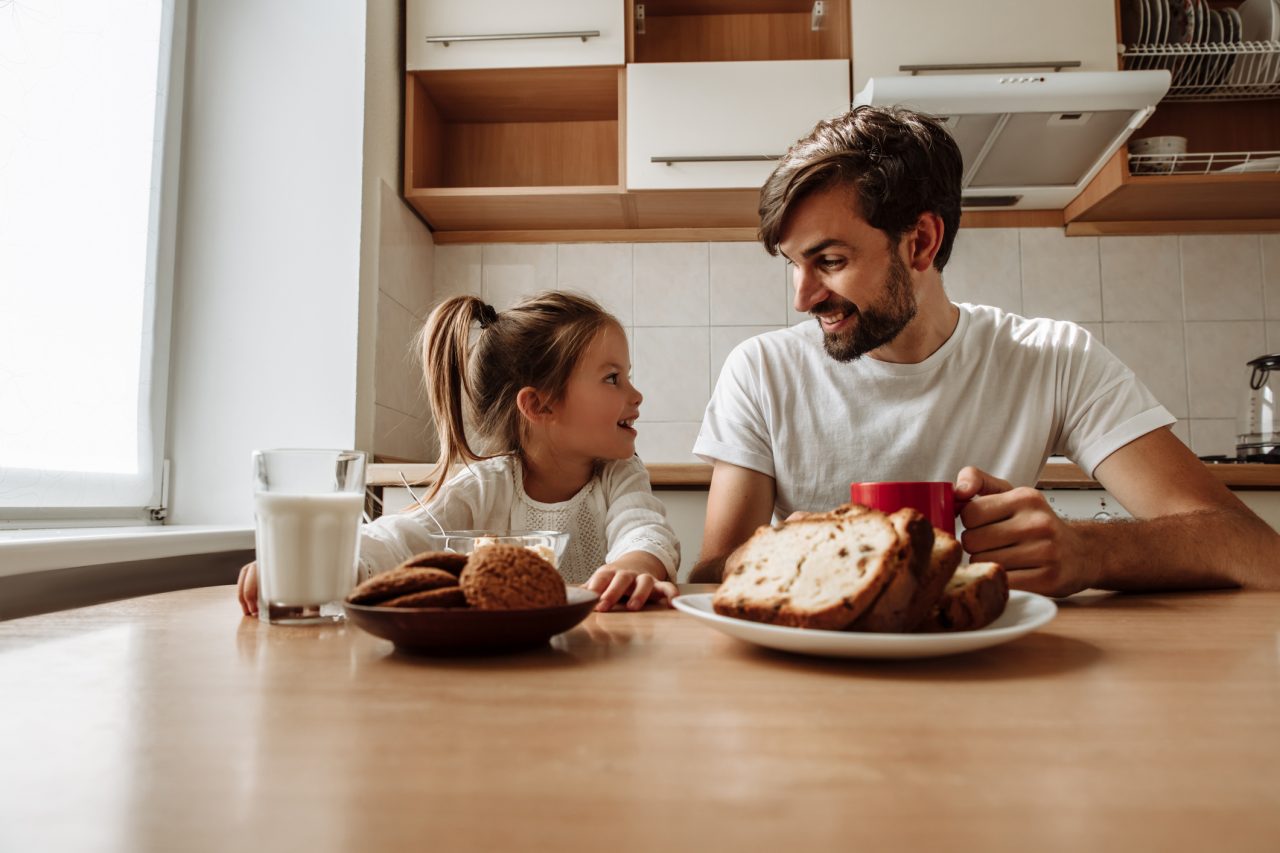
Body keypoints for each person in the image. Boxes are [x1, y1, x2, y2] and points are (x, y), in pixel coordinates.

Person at [690, 105, 1279, 593]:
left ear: (920, 242)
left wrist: (1089, 551)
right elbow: (714, 574)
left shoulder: (1053, 358)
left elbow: (1252, 549)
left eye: (831, 261)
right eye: (794, 265)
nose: (803, 299)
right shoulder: (762, 370)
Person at [238, 291, 680, 615]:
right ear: (540, 405)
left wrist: (634, 566)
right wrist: (312, 568)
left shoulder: (619, 475)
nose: (636, 395)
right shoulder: (485, 485)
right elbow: (397, 539)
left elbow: (646, 530)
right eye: (612, 378)